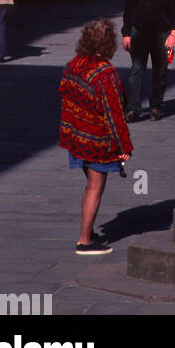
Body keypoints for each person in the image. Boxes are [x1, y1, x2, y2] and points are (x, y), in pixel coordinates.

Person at [58, 18, 133, 254]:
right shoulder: (105, 74)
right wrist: (125, 146)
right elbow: (115, 114)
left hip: (75, 137)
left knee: (90, 185)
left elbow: (65, 95)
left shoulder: (74, 65)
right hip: (97, 140)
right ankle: (84, 240)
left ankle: (87, 231)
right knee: (95, 187)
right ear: (108, 44)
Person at [122, 0, 175, 121]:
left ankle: (156, 106)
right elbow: (128, 9)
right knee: (136, 71)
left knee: (160, 72)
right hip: (139, 33)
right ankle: (133, 109)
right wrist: (126, 33)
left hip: (163, 34)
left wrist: (174, 33)